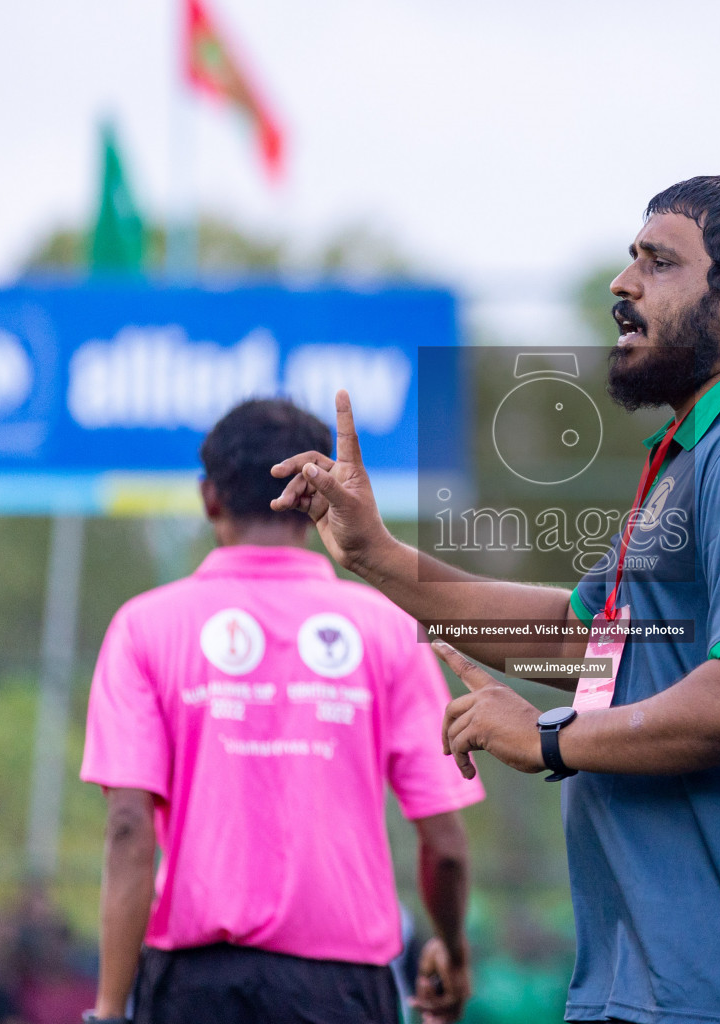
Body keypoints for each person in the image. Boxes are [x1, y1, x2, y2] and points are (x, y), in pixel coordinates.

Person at [272, 176, 720, 1022]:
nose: (623, 283)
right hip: (657, 988)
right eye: (630, 258)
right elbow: (585, 647)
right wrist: (376, 556)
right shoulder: (699, 454)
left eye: (659, 262)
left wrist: (551, 737)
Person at [80, 398, 484, 1024]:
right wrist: (452, 952)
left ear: (209, 497)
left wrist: (109, 1009)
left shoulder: (144, 627)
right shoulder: (386, 627)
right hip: (345, 989)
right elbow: (446, 846)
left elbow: (129, 829)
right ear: (317, 496)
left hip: (192, 985)